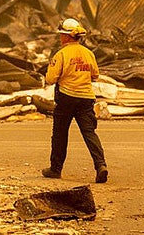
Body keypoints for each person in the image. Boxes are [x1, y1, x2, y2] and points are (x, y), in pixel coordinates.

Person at [42, 18, 108, 183]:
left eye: (61, 35)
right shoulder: (88, 53)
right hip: (86, 99)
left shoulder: (61, 54)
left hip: (66, 98)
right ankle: (101, 166)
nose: (60, 38)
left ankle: (55, 169)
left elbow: (50, 78)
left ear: (66, 37)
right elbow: (95, 75)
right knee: (89, 132)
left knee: (59, 134)